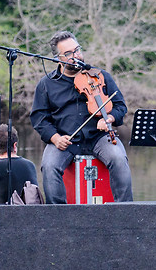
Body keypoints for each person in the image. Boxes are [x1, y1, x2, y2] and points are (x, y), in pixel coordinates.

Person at [30, 31, 134, 203]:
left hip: (98, 137)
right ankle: (57, 217)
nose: (76, 56)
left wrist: (110, 118)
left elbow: (120, 107)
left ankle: (124, 213)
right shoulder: (47, 84)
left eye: (77, 50)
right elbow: (39, 118)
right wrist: (55, 138)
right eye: (69, 54)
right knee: (49, 166)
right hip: (65, 139)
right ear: (58, 58)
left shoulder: (100, 76)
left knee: (118, 159)